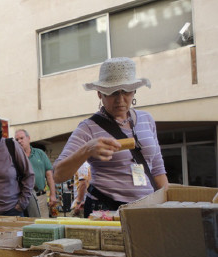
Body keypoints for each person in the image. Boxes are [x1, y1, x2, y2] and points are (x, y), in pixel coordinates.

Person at [53, 57, 168, 218]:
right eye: (112, 92)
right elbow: (58, 174)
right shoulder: (88, 127)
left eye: (126, 91)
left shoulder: (146, 119)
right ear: (100, 93)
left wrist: (168, 205)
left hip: (146, 207)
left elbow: (157, 169)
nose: (120, 100)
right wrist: (87, 149)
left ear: (134, 91)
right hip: (105, 208)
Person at [15, 129, 57, 218]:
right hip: (23, 199)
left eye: (21, 138)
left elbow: (49, 175)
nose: (19, 141)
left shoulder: (40, 153)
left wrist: (53, 195)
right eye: (17, 140)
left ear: (28, 138)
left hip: (40, 197)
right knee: (27, 226)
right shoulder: (15, 157)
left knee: (43, 226)